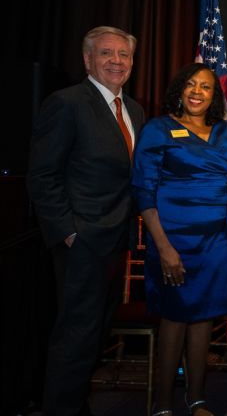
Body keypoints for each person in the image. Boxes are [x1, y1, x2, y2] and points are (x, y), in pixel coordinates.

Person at [27, 26, 146, 416]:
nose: (117, 61)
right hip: (83, 242)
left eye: (123, 55)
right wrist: (68, 232)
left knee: (96, 335)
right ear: (88, 59)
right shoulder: (67, 103)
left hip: (116, 239)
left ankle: (76, 406)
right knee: (76, 337)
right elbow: (43, 176)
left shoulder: (135, 109)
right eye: (107, 54)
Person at [132, 63, 227, 416]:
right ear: (180, 89)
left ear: (214, 95)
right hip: (174, 240)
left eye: (206, 87)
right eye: (191, 85)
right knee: (175, 317)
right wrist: (164, 248)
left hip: (217, 241)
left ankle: (196, 400)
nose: (198, 92)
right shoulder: (158, 128)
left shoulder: (224, 131)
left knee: (204, 318)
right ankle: (162, 404)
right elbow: (143, 192)